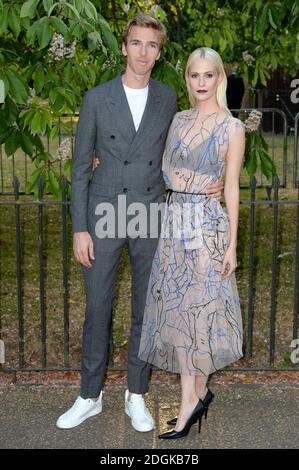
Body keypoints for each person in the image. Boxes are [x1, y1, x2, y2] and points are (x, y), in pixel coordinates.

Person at [56, 14, 223, 432]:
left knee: (145, 311)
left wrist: (211, 180)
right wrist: (80, 228)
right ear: (124, 47)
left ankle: (136, 393)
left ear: (159, 52)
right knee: (98, 308)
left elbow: (193, 135)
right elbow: (80, 169)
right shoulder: (96, 98)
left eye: (151, 45)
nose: (143, 52)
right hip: (104, 213)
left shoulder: (167, 99)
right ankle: (89, 395)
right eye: (136, 43)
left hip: (150, 213)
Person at [138, 47, 245, 439]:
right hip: (174, 222)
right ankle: (198, 392)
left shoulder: (231, 128)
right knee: (181, 312)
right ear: (187, 78)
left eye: (208, 76)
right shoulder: (179, 120)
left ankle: (188, 406)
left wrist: (231, 245)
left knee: (197, 313)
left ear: (220, 79)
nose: (201, 83)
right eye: (194, 76)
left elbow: (230, 187)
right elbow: (165, 167)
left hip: (207, 226)